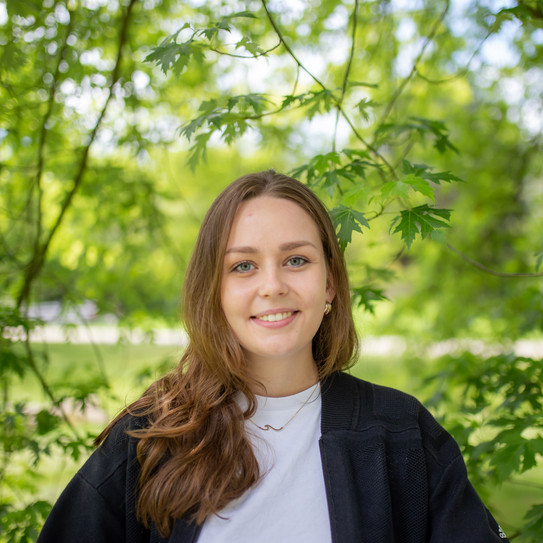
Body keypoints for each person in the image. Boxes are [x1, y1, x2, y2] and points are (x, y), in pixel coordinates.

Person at [38, 170, 508, 542]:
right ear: (214, 292)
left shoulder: (402, 433)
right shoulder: (154, 437)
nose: (272, 285)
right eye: (243, 266)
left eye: (296, 260)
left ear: (329, 284)